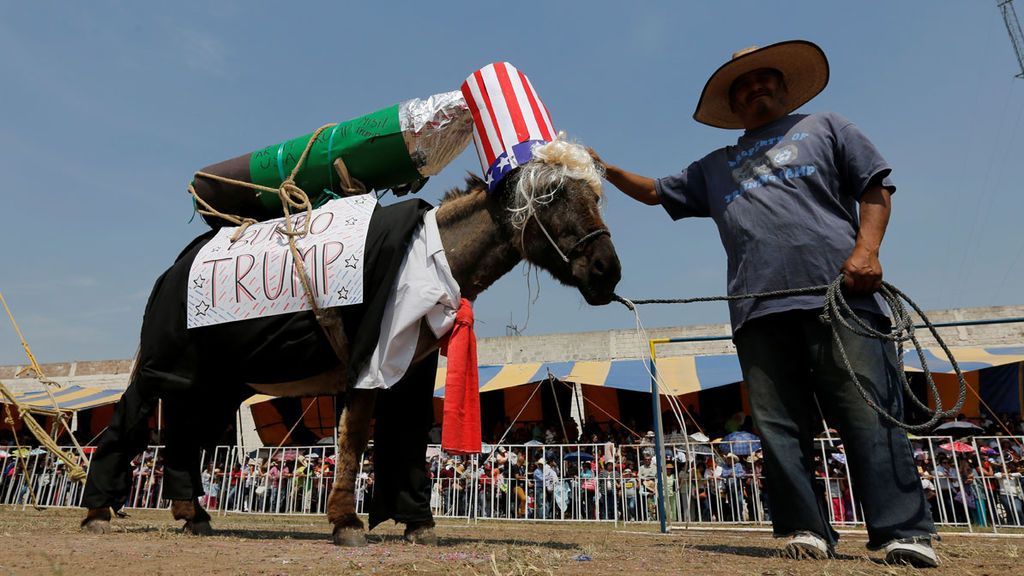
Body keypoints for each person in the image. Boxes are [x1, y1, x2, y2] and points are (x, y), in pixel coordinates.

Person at [590, 40, 937, 567]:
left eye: (763, 78)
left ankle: (903, 532)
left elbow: (875, 187)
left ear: (783, 86)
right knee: (779, 426)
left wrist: (867, 250)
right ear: (733, 105)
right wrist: (603, 168)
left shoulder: (826, 126)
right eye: (743, 85)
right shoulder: (715, 166)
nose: (755, 87)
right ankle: (806, 529)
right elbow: (656, 191)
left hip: (841, 297)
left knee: (870, 412)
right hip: (757, 311)